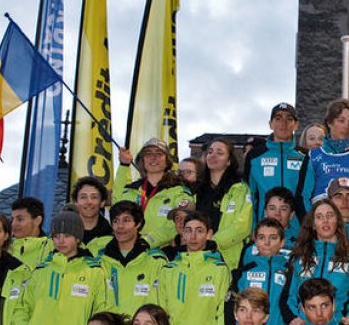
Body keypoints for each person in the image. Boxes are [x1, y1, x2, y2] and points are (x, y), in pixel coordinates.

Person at [158, 210, 232, 325]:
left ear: (209, 234)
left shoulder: (219, 269)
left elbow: (223, 311)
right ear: (182, 234)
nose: (193, 236)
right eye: (188, 231)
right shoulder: (168, 269)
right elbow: (160, 310)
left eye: (199, 231)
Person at [282, 200, 349, 325]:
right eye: (319, 217)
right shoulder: (299, 256)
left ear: (337, 221)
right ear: (313, 224)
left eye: (330, 216)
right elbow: (288, 295)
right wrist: (293, 318)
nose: (325, 221)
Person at [113, 137, 196, 248]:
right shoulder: (132, 189)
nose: (153, 158)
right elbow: (116, 204)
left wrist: (148, 241)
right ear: (142, 160)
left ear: (167, 161)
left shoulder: (179, 191)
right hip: (129, 249)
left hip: (163, 253)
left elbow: (179, 223)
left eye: (159, 154)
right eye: (148, 154)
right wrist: (124, 165)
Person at [296, 99, 349, 213]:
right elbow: (302, 196)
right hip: (322, 226)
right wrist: (311, 224)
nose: (346, 126)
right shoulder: (313, 156)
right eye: (341, 120)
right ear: (329, 122)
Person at [97, 200, 170, 316]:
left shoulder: (156, 261)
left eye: (126, 220)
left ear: (138, 223)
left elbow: (162, 303)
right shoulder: (100, 261)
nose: (120, 226)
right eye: (116, 221)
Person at [229, 218, 291, 325]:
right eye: (262, 238)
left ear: (282, 242)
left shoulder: (290, 272)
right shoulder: (243, 273)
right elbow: (234, 306)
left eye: (273, 238)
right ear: (255, 241)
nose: (267, 243)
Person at [194, 137, 254, 267]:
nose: (213, 156)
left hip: (229, 259)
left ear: (229, 161)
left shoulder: (240, 189)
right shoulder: (197, 190)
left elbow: (243, 225)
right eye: (210, 152)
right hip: (199, 257)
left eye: (219, 153)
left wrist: (213, 242)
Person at [246, 103, 306, 222]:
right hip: (265, 228)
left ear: (296, 125)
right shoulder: (255, 156)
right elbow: (249, 196)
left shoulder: (305, 156)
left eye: (289, 119)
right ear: (270, 124)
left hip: (299, 231)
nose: (284, 123)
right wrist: (253, 228)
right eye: (278, 118)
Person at [11, 197, 55, 269]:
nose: (13, 224)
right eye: (12, 219)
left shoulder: (51, 251)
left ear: (37, 221)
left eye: (20, 219)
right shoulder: (7, 249)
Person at [73, 176, 114, 248]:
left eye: (94, 197)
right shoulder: (62, 235)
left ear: (102, 202)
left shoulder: (113, 237)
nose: (89, 202)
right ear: (75, 202)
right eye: (83, 197)